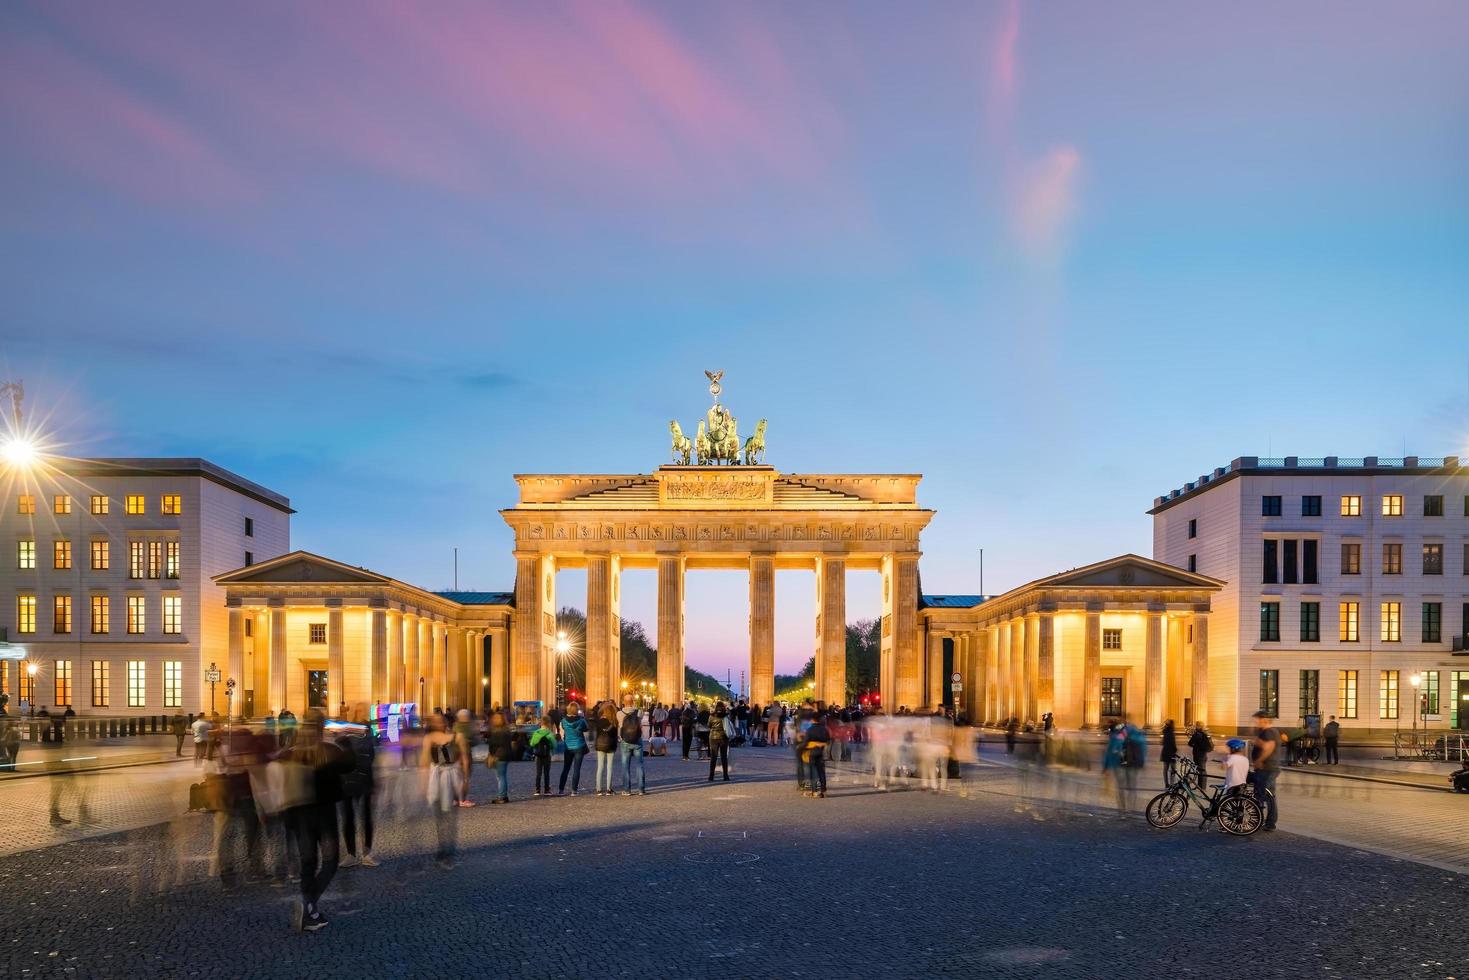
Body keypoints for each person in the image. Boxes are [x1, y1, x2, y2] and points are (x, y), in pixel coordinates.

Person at [278, 708, 353, 933]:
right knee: (330, 861)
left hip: (299, 815)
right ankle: (308, 903)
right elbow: (351, 765)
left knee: (308, 863)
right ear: (322, 727)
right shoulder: (329, 750)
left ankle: (310, 912)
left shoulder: (289, 752)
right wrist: (343, 740)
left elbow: (281, 785)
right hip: (323, 815)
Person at [337, 713, 379, 868]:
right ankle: (352, 854)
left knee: (364, 818)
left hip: (362, 780)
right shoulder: (345, 740)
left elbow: (370, 757)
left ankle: (365, 853)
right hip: (348, 781)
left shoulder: (365, 739)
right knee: (349, 817)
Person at [421, 713, 462, 869]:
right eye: (435, 721)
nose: (439, 724)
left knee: (450, 816)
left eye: (441, 721)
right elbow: (424, 761)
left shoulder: (455, 737)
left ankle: (449, 850)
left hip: (451, 777)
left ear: (445, 722)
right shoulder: (429, 738)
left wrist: (463, 780)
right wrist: (423, 783)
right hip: (436, 778)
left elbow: (463, 757)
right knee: (439, 816)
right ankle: (442, 847)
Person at [1249, 711, 1281, 831]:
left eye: (1256, 719)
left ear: (1264, 720)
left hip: (1267, 768)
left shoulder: (1269, 732)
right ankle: (1266, 822)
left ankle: (1266, 822)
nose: (1255, 722)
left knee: (1265, 795)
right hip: (1267, 768)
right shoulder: (1267, 731)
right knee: (1266, 795)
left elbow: (1269, 747)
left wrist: (1259, 760)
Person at [1204, 738, 1250, 820]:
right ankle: (1238, 826)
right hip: (1242, 785)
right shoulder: (1245, 759)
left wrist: (1223, 759)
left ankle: (1228, 824)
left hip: (1233, 785)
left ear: (1233, 748)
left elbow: (1223, 767)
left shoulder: (1232, 757)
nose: (1228, 749)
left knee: (1229, 807)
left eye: (1229, 748)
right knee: (1238, 807)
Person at [558, 701, 590, 796]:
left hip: (568, 746)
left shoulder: (563, 721)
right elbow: (586, 729)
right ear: (577, 710)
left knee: (566, 768)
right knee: (577, 769)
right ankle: (574, 790)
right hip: (579, 746)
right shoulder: (581, 720)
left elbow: (562, 730)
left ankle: (561, 789)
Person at [484, 710, 513, 803]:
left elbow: (494, 745)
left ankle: (502, 797)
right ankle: (504, 796)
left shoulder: (497, 730)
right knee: (502, 776)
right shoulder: (506, 729)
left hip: (499, 755)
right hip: (505, 755)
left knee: (500, 777)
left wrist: (492, 756)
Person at [618, 701, 647, 795]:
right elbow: (641, 717)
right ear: (632, 702)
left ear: (624, 702)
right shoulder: (639, 712)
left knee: (625, 766)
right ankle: (641, 789)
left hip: (625, 741)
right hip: (637, 740)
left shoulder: (619, 713)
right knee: (639, 765)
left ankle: (626, 790)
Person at [800, 711, 831, 798]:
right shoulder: (824, 729)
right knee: (821, 772)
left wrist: (801, 748)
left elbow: (805, 742)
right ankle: (823, 790)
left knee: (813, 771)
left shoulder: (810, 730)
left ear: (813, 720)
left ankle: (814, 791)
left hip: (812, 752)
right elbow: (828, 740)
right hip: (821, 752)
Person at [592, 702, 619, 796]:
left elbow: (597, 733)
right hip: (611, 745)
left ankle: (598, 789)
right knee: (609, 767)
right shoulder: (614, 722)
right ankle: (608, 789)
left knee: (600, 767)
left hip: (600, 745)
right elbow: (615, 736)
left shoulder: (599, 721)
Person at [529, 716, 557, 797]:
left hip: (538, 755)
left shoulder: (536, 733)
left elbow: (532, 743)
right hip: (547, 755)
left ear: (541, 723)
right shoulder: (549, 733)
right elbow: (554, 745)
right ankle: (547, 790)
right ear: (548, 724)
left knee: (538, 773)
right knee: (546, 773)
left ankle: (537, 790)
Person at [453, 708, 477, 806]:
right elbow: (475, 741)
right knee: (465, 778)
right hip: (464, 754)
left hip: (455, 755)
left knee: (457, 778)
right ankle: (462, 799)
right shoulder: (468, 729)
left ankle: (455, 799)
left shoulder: (455, 727)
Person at [708, 702, 732, 782]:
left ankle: (711, 776)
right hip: (723, 738)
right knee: (724, 757)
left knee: (713, 757)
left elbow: (709, 725)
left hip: (713, 737)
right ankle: (725, 776)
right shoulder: (726, 716)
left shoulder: (711, 715)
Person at [1187, 722, 1212, 788]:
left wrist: (1195, 745)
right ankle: (1201, 785)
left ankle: (1202, 786)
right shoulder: (1205, 733)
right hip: (1204, 754)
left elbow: (1190, 743)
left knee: (1200, 770)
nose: (1195, 726)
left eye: (1196, 725)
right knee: (1202, 769)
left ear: (1198, 726)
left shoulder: (1197, 734)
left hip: (1198, 754)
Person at [1159, 719, 1178, 786]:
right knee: (1173, 769)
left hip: (1165, 752)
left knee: (1165, 769)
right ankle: (1172, 783)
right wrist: (1175, 750)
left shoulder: (1164, 732)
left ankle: (1166, 783)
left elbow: (1162, 743)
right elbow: (1173, 744)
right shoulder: (1172, 732)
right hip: (1171, 753)